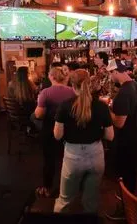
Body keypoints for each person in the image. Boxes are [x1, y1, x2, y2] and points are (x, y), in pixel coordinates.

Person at [53, 70, 114, 213]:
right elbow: (110, 136)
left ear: (72, 86)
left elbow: (57, 135)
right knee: (91, 201)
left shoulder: (65, 106)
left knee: (64, 200)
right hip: (96, 154)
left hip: (73, 156)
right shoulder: (102, 107)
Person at [106, 59, 137, 220]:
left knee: (124, 175)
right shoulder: (136, 86)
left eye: (110, 73)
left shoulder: (123, 93)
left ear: (115, 72)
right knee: (131, 174)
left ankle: (124, 210)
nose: (110, 77)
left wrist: (107, 108)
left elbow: (119, 123)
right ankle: (131, 205)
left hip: (125, 140)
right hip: (135, 135)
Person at [34, 67, 76, 197]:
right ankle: (70, 188)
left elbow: (39, 115)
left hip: (50, 130)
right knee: (69, 159)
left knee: (49, 159)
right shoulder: (73, 91)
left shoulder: (45, 93)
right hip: (69, 130)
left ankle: (47, 187)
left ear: (51, 77)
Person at [7, 66, 37, 134]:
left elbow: (9, 97)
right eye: (28, 73)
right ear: (26, 74)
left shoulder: (11, 84)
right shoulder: (29, 84)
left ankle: (28, 128)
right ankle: (32, 128)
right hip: (26, 114)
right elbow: (35, 93)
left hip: (14, 113)